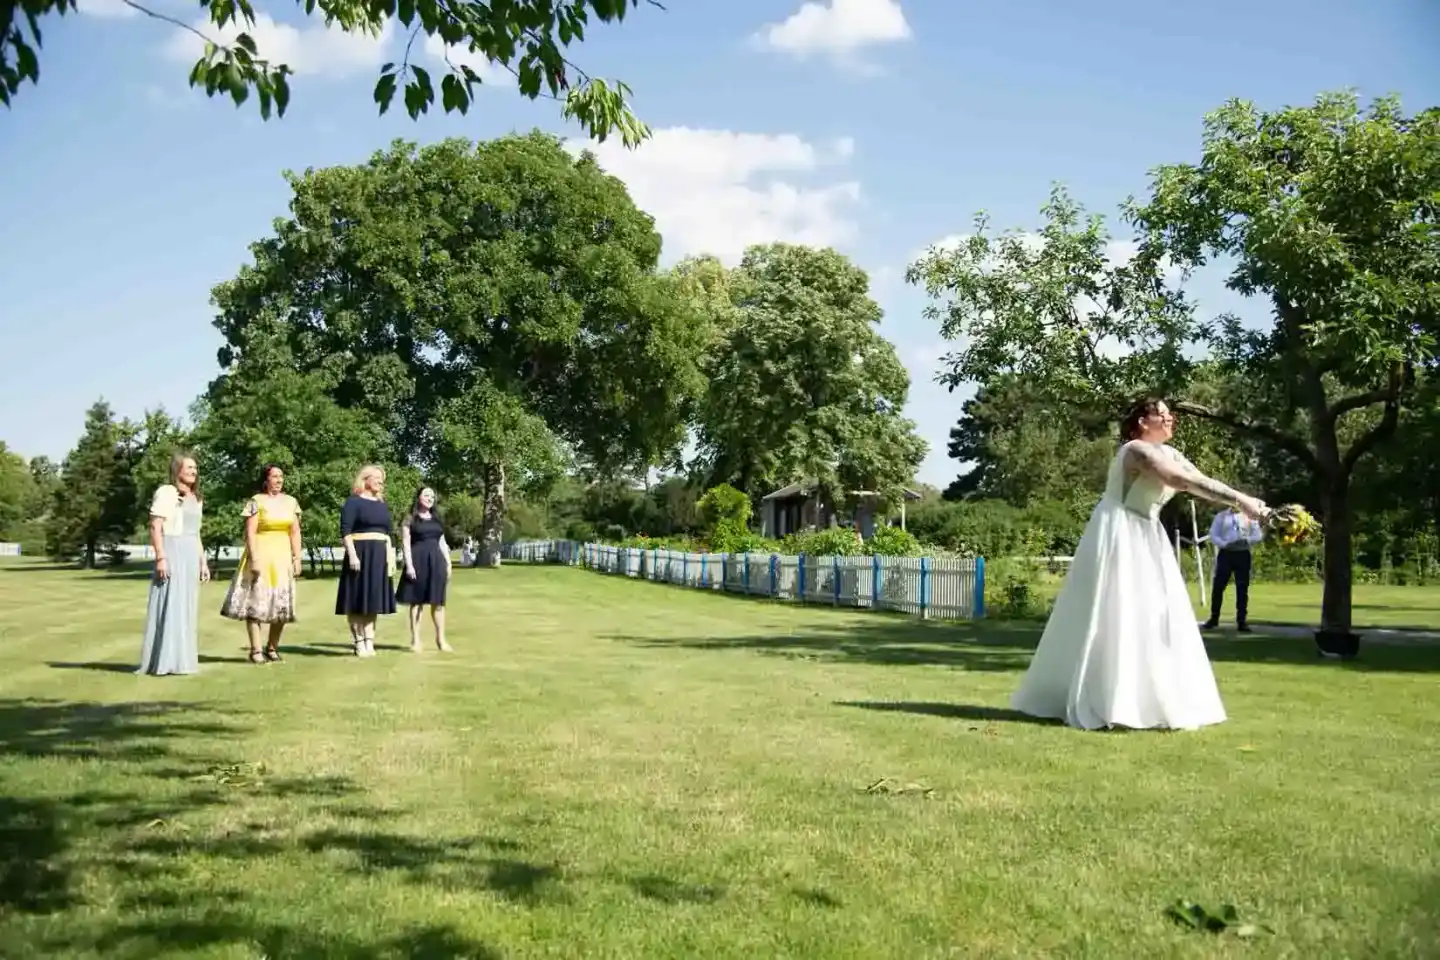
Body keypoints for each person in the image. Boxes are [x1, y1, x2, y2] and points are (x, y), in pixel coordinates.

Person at [1009, 398, 1269, 731]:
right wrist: (1241, 501)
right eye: (1162, 415)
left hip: (1147, 530)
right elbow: (1178, 481)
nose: (1170, 419)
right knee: (1116, 611)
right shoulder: (1135, 450)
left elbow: (1199, 478)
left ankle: (1151, 700)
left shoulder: (1170, 452)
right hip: (1118, 530)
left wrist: (1251, 505)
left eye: (1169, 414)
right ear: (1143, 422)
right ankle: (1106, 698)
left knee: (1156, 613)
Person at [220, 464, 303, 664]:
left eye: (281, 476)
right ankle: (256, 650)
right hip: (262, 555)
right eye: (274, 476)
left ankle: (272, 648)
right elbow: (250, 532)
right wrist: (254, 558)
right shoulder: (256, 501)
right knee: (256, 603)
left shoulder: (291, 502)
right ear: (266, 480)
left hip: (282, 558)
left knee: (281, 606)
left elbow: (295, 532)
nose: (279, 480)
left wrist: (297, 557)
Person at [137, 452, 210, 675]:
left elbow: (195, 533)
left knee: (186, 606)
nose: (193, 472)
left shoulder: (196, 498)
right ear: (177, 470)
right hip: (172, 549)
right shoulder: (166, 492)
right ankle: (163, 660)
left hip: (189, 552)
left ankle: (182, 661)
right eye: (189, 468)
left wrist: (203, 562)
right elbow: (155, 526)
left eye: (195, 468)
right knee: (170, 602)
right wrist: (161, 557)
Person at [336, 464, 396, 657]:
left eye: (382, 479)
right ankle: (359, 642)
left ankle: (370, 641)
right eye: (377, 477)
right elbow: (346, 531)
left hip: (379, 556)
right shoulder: (353, 502)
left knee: (373, 601)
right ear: (365, 479)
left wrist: (390, 557)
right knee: (355, 600)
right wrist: (352, 555)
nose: (380, 482)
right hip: (360, 553)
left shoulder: (382, 504)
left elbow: (387, 532)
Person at [396, 486, 454, 652]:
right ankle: (416, 640)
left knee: (439, 603)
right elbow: (406, 543)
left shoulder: (437, 519)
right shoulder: (410, 519)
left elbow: (442, 542)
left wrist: (448, 563)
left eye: (432, 496)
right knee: (417, 602)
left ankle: (441, 640)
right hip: (417, 561)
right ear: (418, 497)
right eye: (426, 495)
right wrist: (409, 565)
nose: (430, 498)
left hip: (436, 562)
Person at [1203, 507, 1264, 633]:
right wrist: (1225, 544)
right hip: (1226, 553)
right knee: (1218, 586)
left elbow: (1257, 535)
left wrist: (1246, 541)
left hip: (1242, 553)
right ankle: (1214, 618)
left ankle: (1242, 621)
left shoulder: (1249, 516)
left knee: (1242, 588)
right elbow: (1213, 534)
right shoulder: (1221, 516)